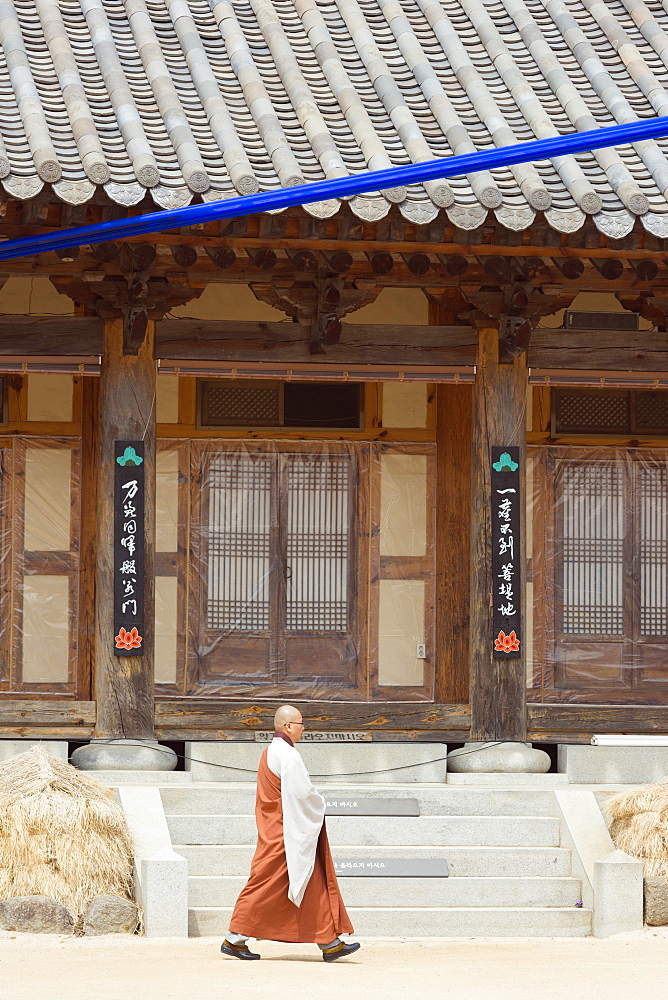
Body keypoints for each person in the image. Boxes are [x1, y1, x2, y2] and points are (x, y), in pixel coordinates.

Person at [221, 704, 360, 962]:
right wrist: (320, 802)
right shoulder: (287, 755)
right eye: (300, 724)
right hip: (285, 833)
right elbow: (302, 795)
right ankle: (234, 938)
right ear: (288, 726)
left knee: (312, 882)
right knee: (265, 884)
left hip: (276, 827)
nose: (303, 728)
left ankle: (329, 942)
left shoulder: (271, 751)